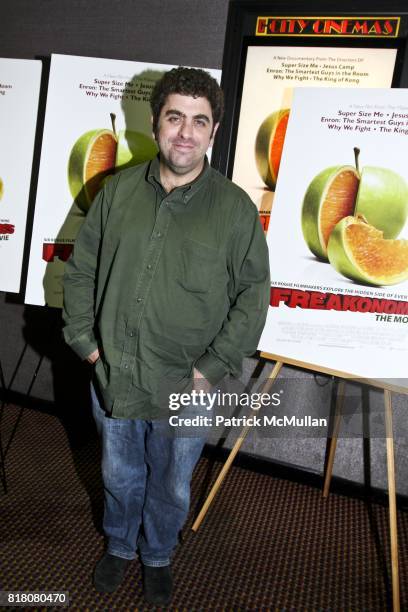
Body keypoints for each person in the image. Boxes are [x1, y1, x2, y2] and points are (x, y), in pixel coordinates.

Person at [62, 66, 270, 606]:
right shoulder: (116, 192)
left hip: (188, 382)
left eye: (199, 121)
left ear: (214, 131)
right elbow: (82, 270)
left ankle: (157, 553)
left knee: (172, 485)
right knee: (119, 474)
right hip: (117, 373)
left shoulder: (236, 211)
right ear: (156, 122)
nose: (186, 132)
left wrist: (210, 367)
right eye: (175, 117)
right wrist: (84, 340)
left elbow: (252, 297)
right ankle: (119, 546)